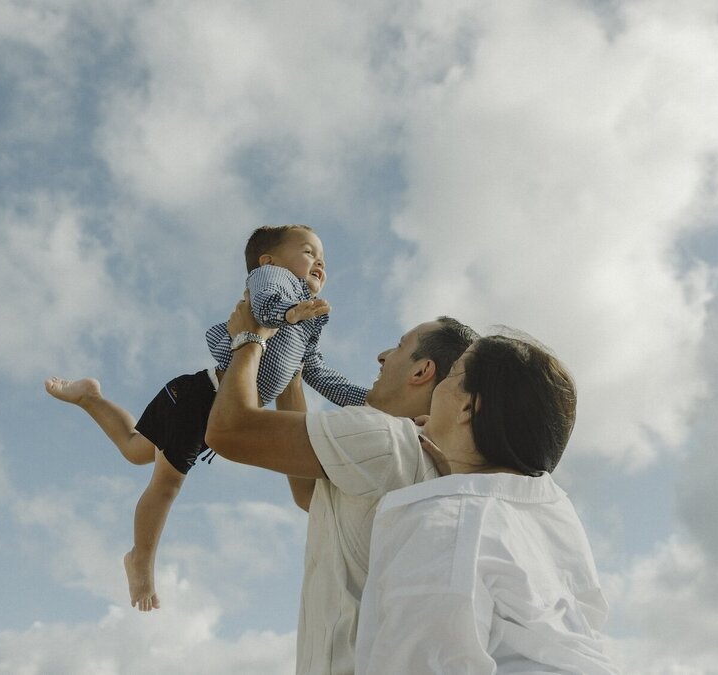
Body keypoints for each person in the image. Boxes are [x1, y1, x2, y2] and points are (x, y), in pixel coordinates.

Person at [45, 225, 367, 612]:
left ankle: (90, 397)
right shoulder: (274, 280)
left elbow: (318, 373)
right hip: (202, 398)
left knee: (135, 450)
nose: (319, 262)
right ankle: (140, 561)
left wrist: (371, 403)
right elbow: (263, 308)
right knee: (165, 485)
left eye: (323, 260)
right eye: (308, 252)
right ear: (270, 260)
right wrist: (290, 312)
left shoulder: (309, 320)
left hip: (201, 397)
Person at [205, 299, 478, 675]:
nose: (382, 356)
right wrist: (291, 365)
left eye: (398, 346)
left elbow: (227, 430)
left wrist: (250, 339)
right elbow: (307, 494)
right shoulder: (420, 456)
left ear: (422, 370)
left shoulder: (385, 438)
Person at [355, 333, 619, 674]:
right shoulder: (553, 510)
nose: (438, 387)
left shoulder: (444, 523)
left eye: (452, 375)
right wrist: (459, 471)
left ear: (468, 406)